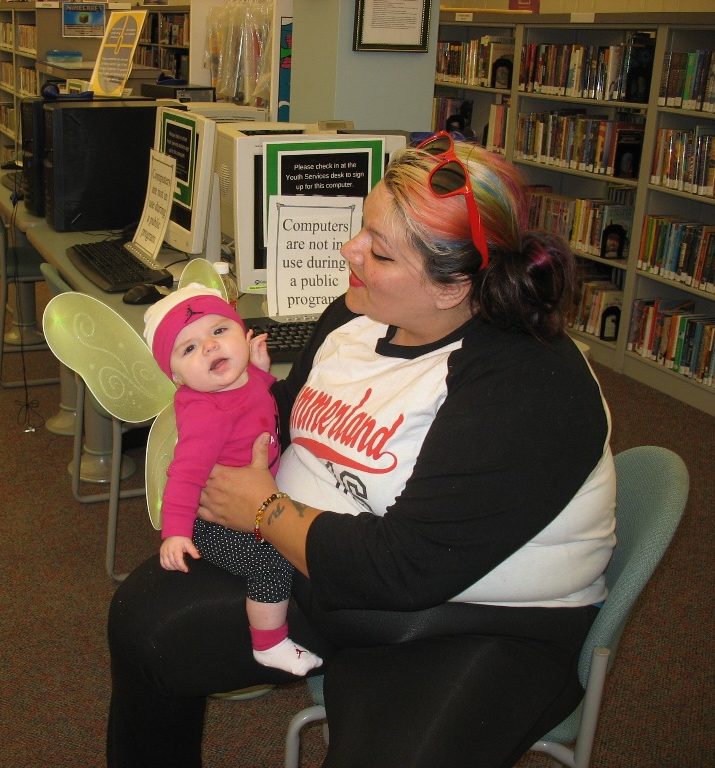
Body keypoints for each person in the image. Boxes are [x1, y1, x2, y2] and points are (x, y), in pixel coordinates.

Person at [107, 132, 617, 768]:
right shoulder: (357, 315)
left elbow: (407, 567)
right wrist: (226, 414)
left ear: (452, 286)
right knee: (145, 623)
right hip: (314, 570)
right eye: (362, 229)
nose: (349, 251)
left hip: (467, 623)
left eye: (378, 250)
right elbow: (287, 414)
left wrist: (263, 508)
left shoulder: (527, 387)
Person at [142, 283, 322, 676]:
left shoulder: (243, 379)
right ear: (176, 376)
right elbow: (185, 475)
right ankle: (269, 643)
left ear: (242, 333)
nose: (209, 346)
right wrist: (175, 532)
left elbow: (257, 399)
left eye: (220, 331)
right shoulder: (205, 412)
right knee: (274, 557)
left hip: (249, 499)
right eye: (189, 348)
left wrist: (258, 369)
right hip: (213, 524)